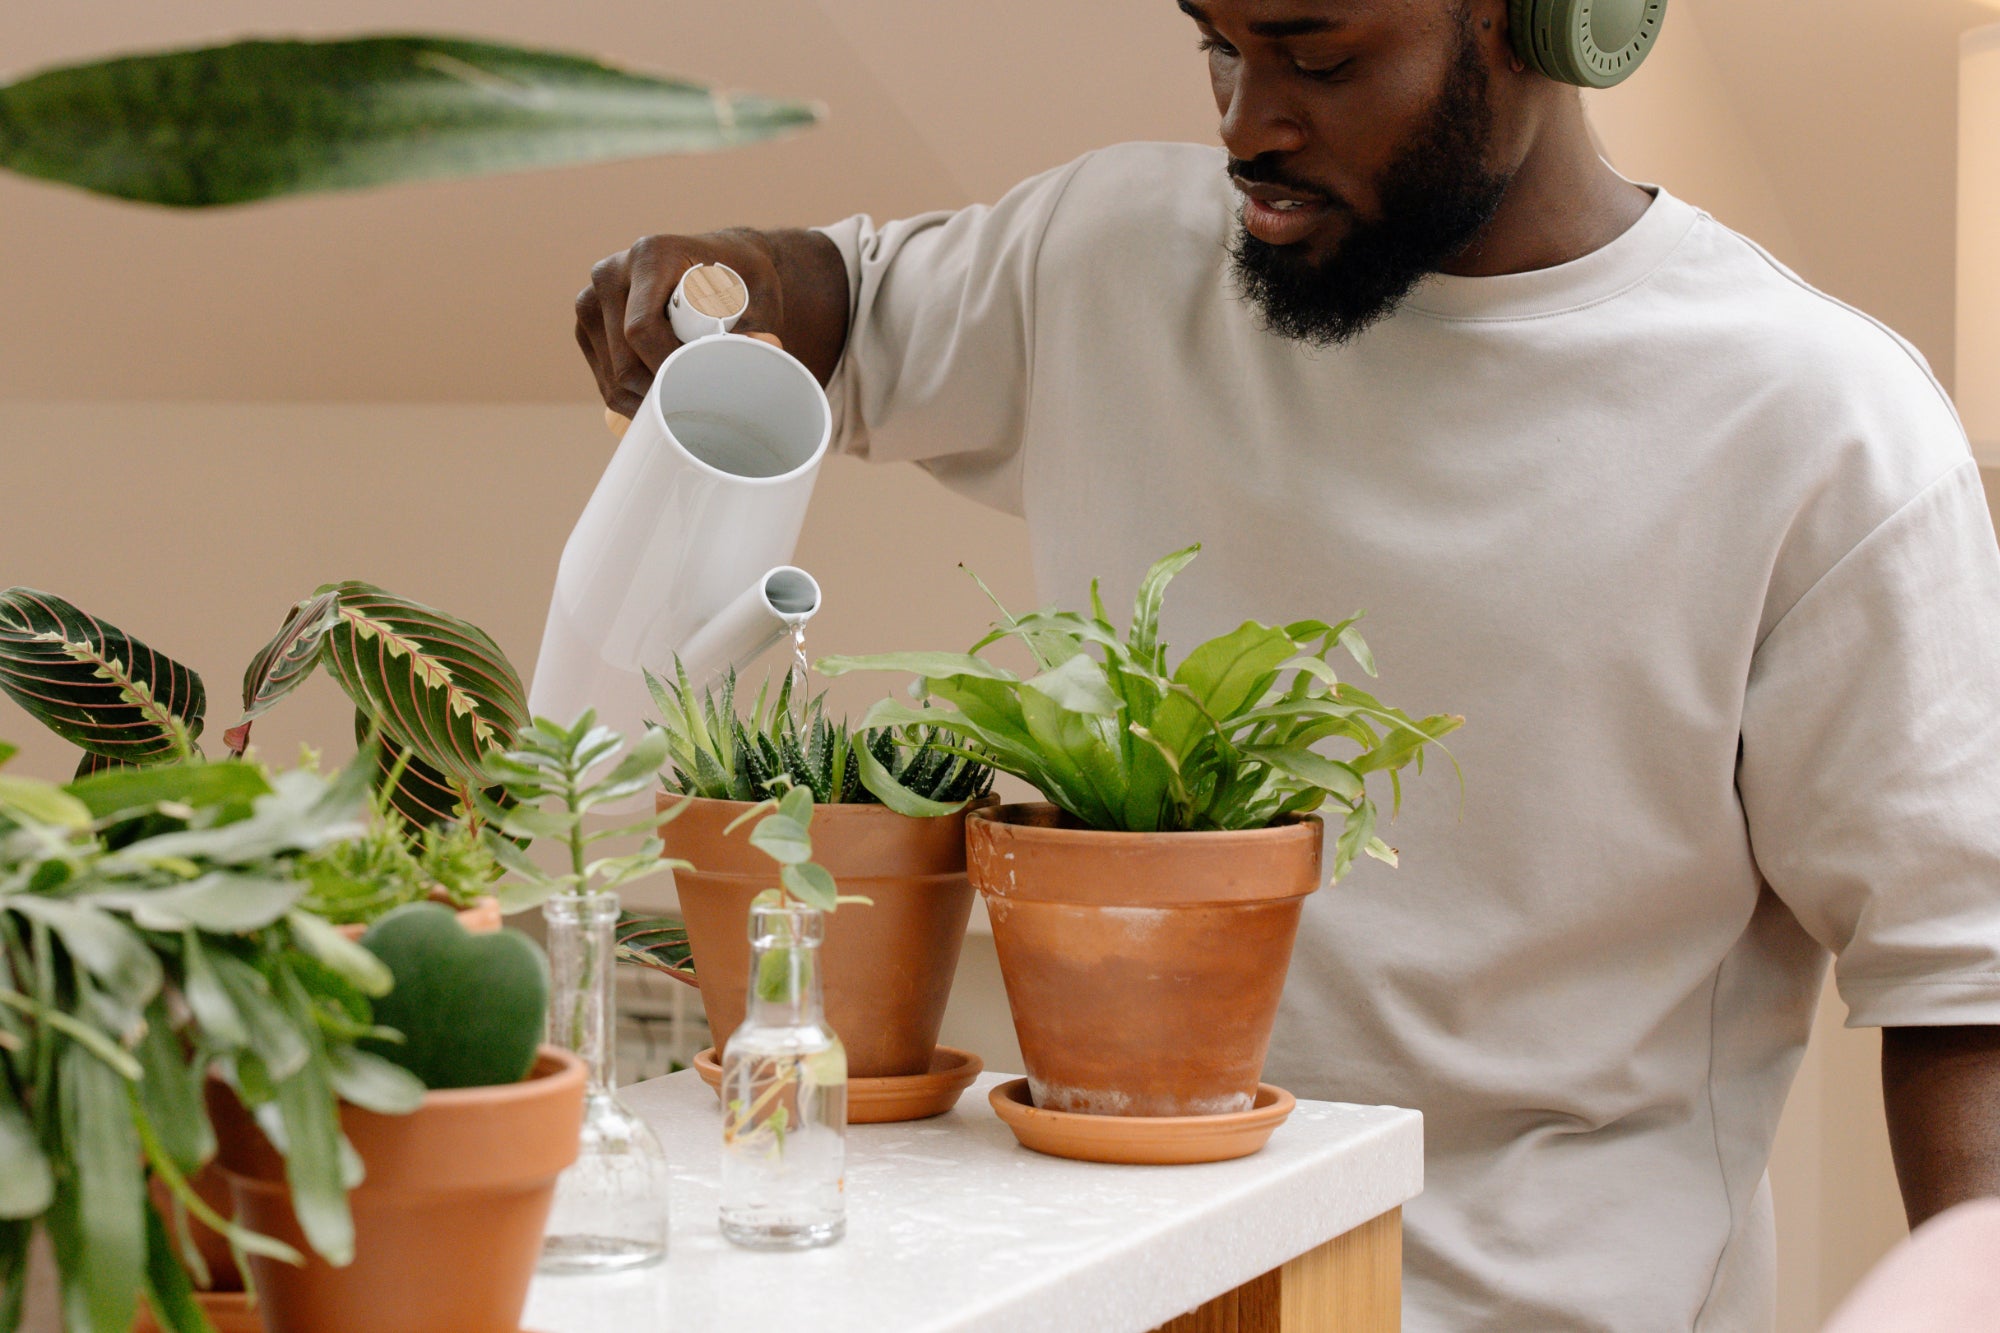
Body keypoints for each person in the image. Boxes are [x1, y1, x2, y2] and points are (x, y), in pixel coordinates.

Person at [572, 2, 2000, 1327]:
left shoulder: (1820, 427)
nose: (1248, 123)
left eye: (1319, 61)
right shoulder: (1115, 250)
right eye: (1219, 45)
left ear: (1539, 28)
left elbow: (1963, 984)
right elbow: (848, 298)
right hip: (1106, 1277)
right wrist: (727, 278)